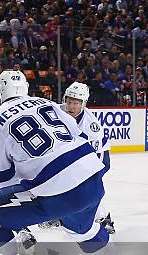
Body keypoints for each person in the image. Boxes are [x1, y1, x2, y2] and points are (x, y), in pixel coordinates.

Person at [0, 71, 132, 255]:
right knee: (83, 228)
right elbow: (76, 137)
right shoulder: (48, 104)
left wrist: (17, 218)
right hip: (91, 179)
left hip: (55, 190)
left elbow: (1, 179)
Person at [39, 82, 115, 233]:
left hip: (98, 157)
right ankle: (58, 215)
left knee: (88, 186)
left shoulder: (91, 125)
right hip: (71, 153)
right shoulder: (57, 110)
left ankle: (103, 217)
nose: (71, 106)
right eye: (69, 101)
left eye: (75, 103)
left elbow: (96, 158)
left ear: (83, 104)